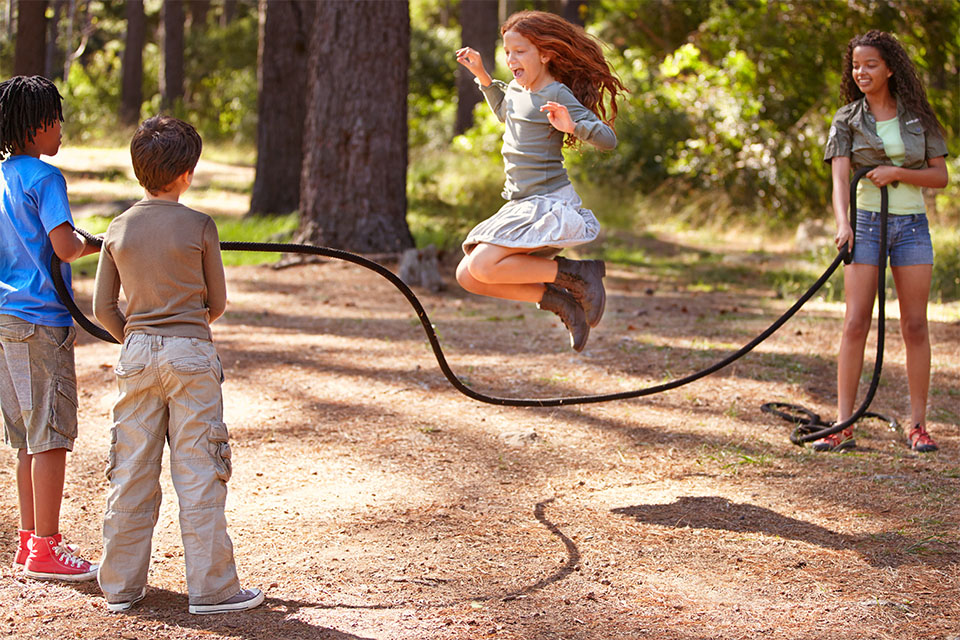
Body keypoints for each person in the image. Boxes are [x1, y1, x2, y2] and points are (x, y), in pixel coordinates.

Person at [93, 115, 263, 614]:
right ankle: (212, 589)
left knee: (131, 467)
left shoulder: (117, 228)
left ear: (137, 170)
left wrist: (137, 338)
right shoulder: (200, 225)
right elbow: (218, 302)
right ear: (187, 172)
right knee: (199, 470)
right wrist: (187, 329)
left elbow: (104, 307)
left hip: (137, 352)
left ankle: (120, 586)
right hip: (191, 352)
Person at [455, 10, 626, 352]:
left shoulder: (557, 93)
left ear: (544, 54)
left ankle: (580, 274)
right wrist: (484, 78)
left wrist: (572, 126)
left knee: (482, 264)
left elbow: (608, 139)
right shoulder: (518, 88)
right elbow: (508, 111)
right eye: (507, 52)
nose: (511, 59)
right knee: (468, 276)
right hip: (521, 202)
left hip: (547, 202)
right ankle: (562, 303)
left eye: (520, 51)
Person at [819, 30, 948, 453]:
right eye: (856, 65)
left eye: (871, 65)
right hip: (866, 224)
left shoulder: (919, 117)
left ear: (890, 68)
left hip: (911, 225)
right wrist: (844, 224)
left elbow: (940, 177)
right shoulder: (846, 118)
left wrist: (896, 173)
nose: (861, 72)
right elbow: (840, 178)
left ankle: (918, 425)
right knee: (856, 322)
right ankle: (844, 423)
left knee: (914, 325)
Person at [0, 75, 100, 581]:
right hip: (41, 324)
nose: (60, 129)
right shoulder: (45, 179)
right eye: (55, 121)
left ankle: (27, 541)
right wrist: (93, 242)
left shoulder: (0, 178)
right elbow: (65, 246)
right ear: (37, 127)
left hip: (5, 321)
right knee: (52, 437)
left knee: (26, 439)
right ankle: (47, 546)